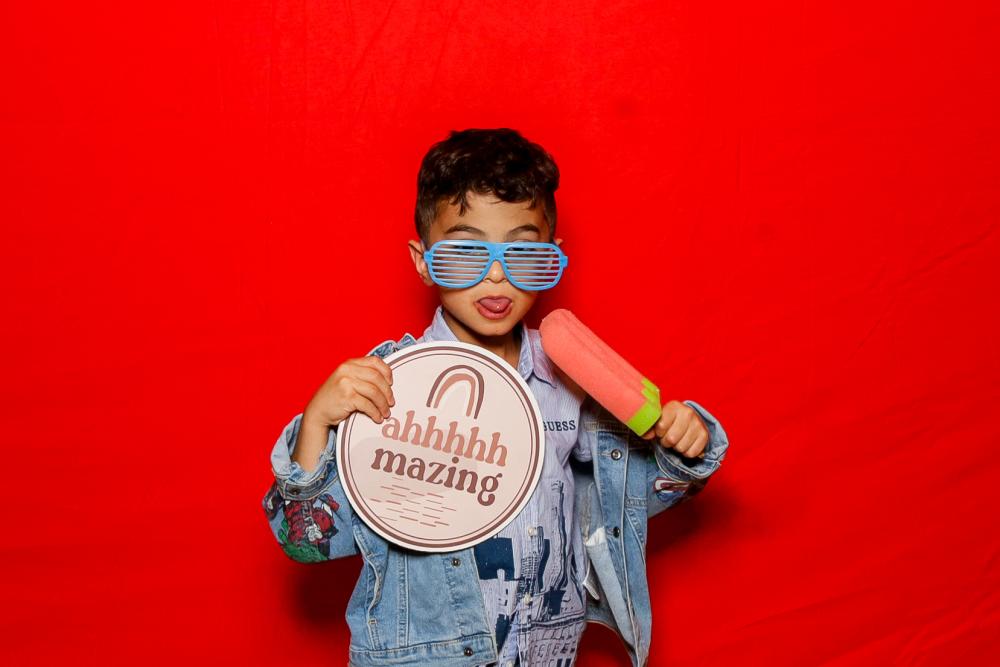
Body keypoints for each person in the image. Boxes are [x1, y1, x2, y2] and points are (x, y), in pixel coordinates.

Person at [262, 128, 730, 667]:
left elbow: (626, 499)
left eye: (524, 254)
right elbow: (311, 542)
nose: (497, 276)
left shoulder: (571, 379)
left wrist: (679, 443)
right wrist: (317, 424)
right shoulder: (389, 384)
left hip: (546, 650)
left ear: (553, 256)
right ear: (422, 259)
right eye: (465, 254)